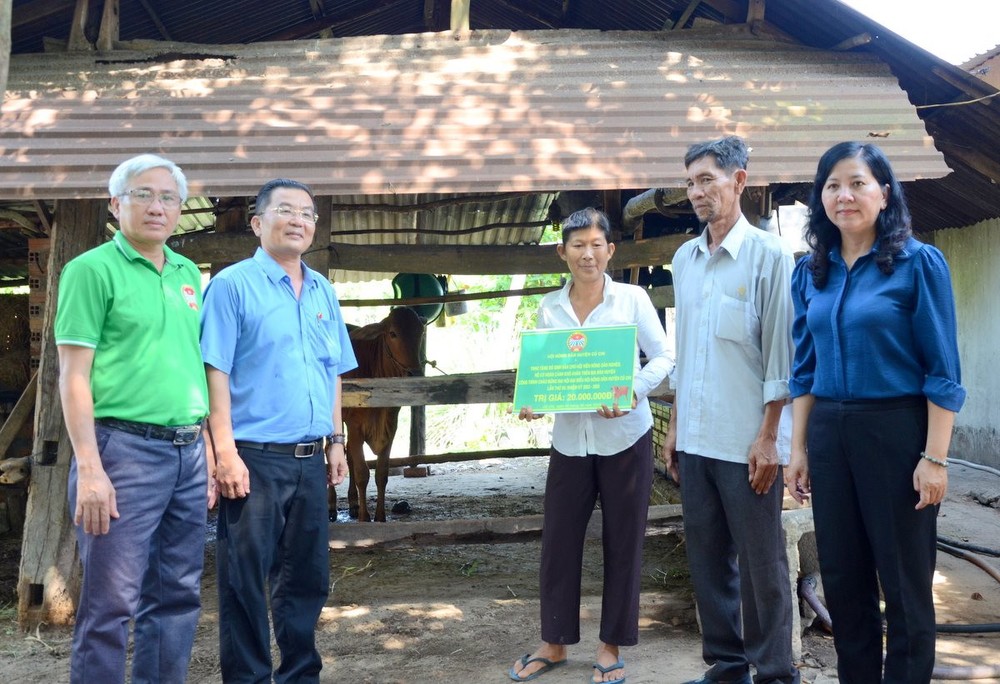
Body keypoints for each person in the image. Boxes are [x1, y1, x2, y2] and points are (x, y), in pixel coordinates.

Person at [784, 142, 965, 684]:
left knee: (905, 583)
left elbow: (943, 371)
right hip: (831, 436)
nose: (845, 195)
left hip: (897, 430)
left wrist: (935, 457)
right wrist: (798, 449)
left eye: (858, 183)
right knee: (843, 579)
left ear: (884, 194)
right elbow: (804, 370)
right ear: (821, 199)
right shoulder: (811, 274)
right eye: (834, 185)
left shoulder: (918, 264)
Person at [55, 154, 211, 683]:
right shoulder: (90, 270)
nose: (156, 207)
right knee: (110, 604)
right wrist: (91, 470)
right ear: (115, 203)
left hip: (187, 454)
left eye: (168, 197)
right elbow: (73, 376)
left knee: (177, 597)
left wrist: (207, 449)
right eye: (143, 194)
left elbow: (193, 368)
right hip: (121, 452)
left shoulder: (189, 274)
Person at [200, 178, 356, 683]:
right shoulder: (231, 286)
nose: (298, 220)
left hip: (312, 457)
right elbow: (213, 372)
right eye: (285, 210)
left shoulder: (323, 290)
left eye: (307, 213)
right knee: (245, 583)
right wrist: (225, 452)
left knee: (307, 580)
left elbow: (333, 370)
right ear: (257, 222)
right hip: (254, 457)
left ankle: (299, 675)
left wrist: (337, 441)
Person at [508, 207, 673, 684]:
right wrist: (536, 402)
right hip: (570, 443)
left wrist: (633, 392)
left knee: (624, 542)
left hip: (626, 438)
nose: (587, 254)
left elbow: (664, 356)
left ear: (610, 250)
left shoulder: (631, 300)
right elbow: (548, 373)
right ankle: (554, 642)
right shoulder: (549, 307)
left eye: (596, 244)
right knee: (558, 542)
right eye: (577, 245)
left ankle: (610, 646)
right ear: (563, 252)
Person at [664, 135, 800, 684]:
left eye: (707, 180)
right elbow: (686, 352)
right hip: (695, 440)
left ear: (739, 181)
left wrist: (770, 438)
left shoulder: (769, 257)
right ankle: (726, 665)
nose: (697, 192)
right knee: (708, 561)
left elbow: (780, 359)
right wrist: (673, 428)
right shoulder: (684, 259)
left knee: (763, 567)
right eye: (691, 182)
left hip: (748, 444)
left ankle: (774, 672)